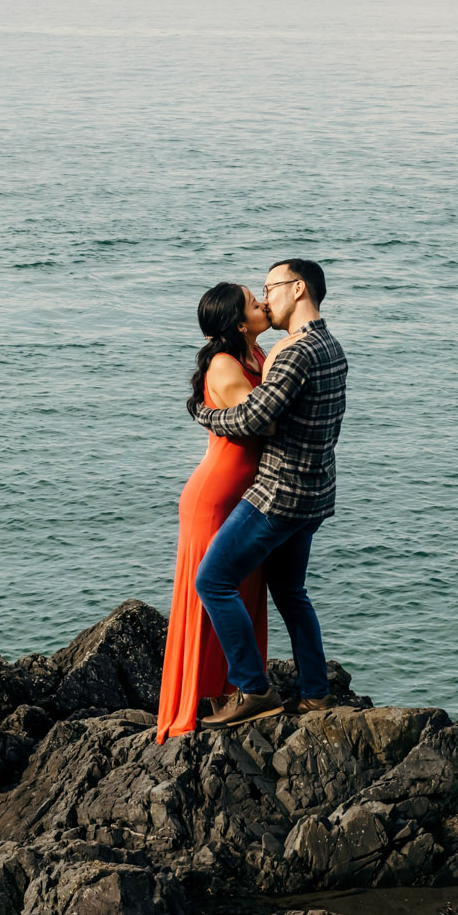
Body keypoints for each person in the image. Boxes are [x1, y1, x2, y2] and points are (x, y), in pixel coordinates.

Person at [190, 259, 347, 728]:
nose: (265, 297)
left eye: (270, 287)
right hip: (316, 492)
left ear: (298, 289)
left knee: (212, 581)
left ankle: (254, 690)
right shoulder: (330, 345)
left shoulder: (295, 351)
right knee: (290, 592)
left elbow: (256, 418)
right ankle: (316, 693)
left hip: (279, 494)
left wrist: (204, 414)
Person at [156, 282, 275, 743]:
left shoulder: (257, 353)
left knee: (242, 591)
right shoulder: (226, 365)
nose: (263, 303)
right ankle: (204, 701)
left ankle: (234, 694)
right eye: (253, 301)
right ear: (239, 323)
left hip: (243, 492)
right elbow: (265, 423)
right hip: (216, 496)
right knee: (214, 593)